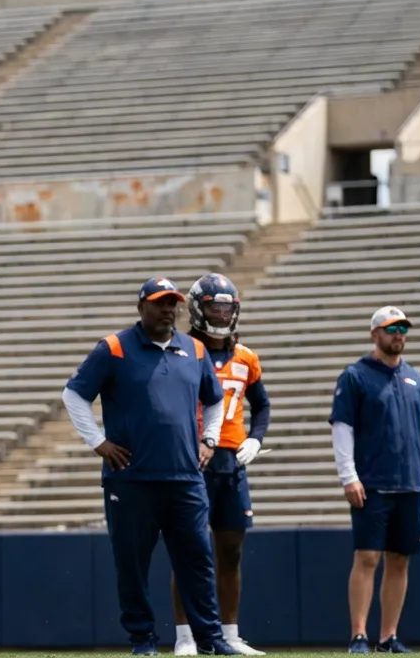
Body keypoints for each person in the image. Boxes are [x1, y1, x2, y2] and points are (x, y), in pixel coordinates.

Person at [61, 277, 239, 656]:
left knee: (198, 561)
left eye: (172, 303)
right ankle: (143, 640)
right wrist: (97, 442)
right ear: (141, 306)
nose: (167, 310)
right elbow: (73, 394)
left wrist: (209, 440)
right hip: (131, 479)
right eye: (159, 303)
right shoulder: (114, 348)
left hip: (185, 478)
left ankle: (210, 639)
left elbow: (214, 399)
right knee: (132, 564)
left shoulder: (194, 349)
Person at [330, 307, 420, 654]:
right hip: (373, 484)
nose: (398, 335)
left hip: (409, 484)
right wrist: (348, 476)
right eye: (391, 328)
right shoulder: (355, 376)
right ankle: (358, 635)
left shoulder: (416, 380)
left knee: (400, 560)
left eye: (403, 329)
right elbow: (342, 427)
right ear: (374, 334)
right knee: (367, 557)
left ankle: (388, 636)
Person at [171, 274, 271, 657]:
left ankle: (230, 634)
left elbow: (262, 404)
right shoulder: (183, 351)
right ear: (199, 309)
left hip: (231, 462)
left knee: (230, 552)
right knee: (190, 551)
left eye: (227, 308)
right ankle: (185, 637)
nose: (221, 315)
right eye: (215, 308)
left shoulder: (245, 357)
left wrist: (255, 438)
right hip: (192, 459)